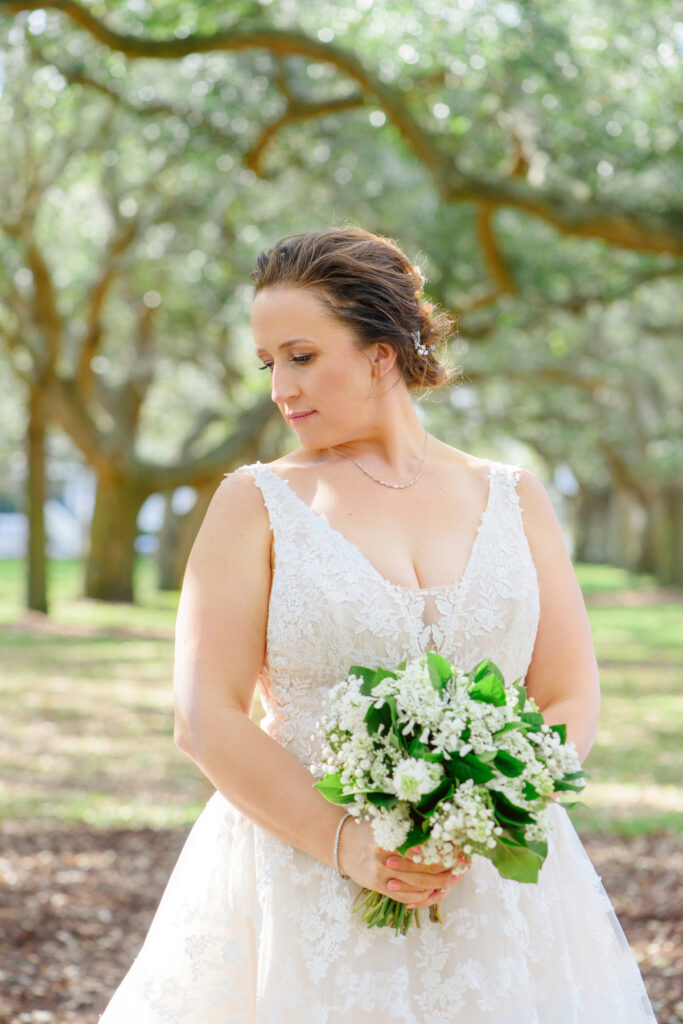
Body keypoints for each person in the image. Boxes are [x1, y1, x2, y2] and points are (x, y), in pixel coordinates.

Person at [98, 227, 656, 1023]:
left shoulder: (516, 498)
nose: (278, 389)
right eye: (269, 364)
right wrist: (350, 846)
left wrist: (488, 815)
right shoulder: (254, 505)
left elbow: (567, 693)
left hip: (494, 890)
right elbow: (203, 717)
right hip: (302, 886)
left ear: (381, 354)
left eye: (299, 356)